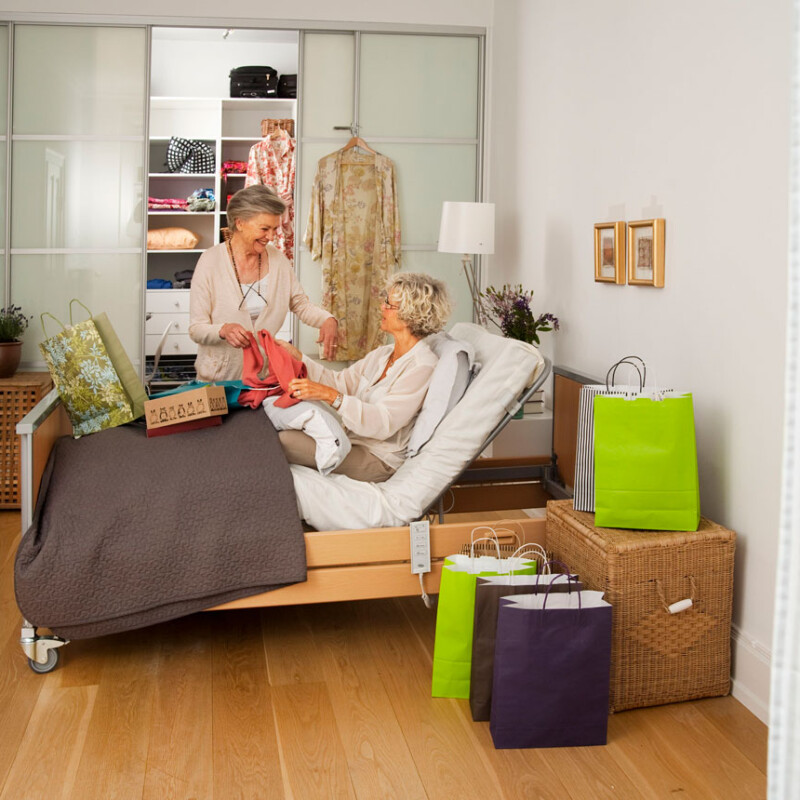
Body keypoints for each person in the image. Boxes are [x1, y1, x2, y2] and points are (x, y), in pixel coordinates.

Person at [275, 272, 452, 483]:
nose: (382, 307)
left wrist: (331, 396)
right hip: (351, 441)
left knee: (284, 442)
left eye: (389, 304)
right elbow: (341, 382)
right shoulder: (383, 354)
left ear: (410, 315)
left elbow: (383, 422)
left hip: (377, 458)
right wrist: (298, 357)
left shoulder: (422, 366)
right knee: (279, 427)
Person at [189, 185, 338, 381]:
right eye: (264, 229)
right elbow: (196, 329)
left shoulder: (278, 260)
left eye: (274, 229)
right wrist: (223, 330)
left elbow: (300, 304)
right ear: (240, 223)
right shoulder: (210, 261)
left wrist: (327, 320)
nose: (271, 237)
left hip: (263, 379)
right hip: (218, 381)